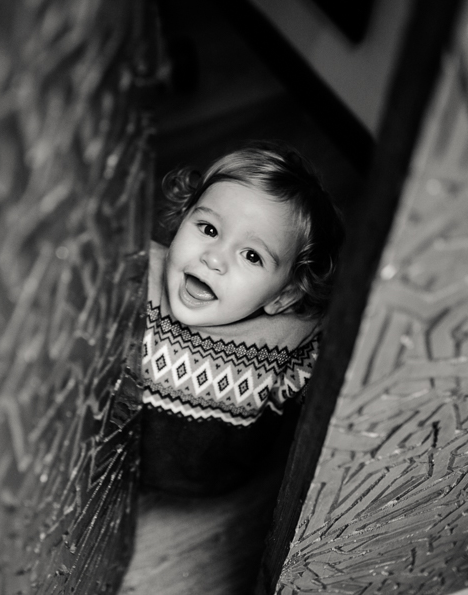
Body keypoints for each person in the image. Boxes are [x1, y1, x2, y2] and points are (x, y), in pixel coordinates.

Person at [140, 143, 345, 495]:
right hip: (112, 459)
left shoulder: (290, 339)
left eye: (252, 255)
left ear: (284, 296)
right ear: (182, 220)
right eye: (208, 229)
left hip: (214, 479)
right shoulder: (135, 274)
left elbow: (338, 403)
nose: (215, 258)